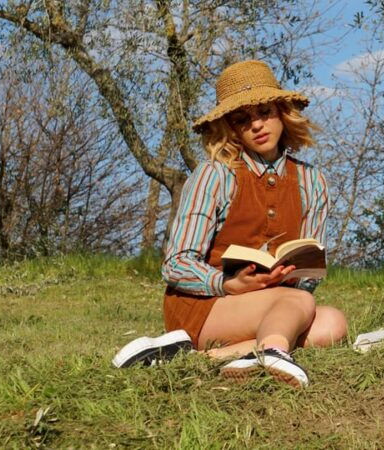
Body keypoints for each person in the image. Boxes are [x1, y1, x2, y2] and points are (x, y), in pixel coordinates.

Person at [147, 60, 345, 387]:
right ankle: (273, 351)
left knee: (332, 323)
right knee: (300, 303)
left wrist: (283, 279)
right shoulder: (214, 175)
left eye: (264, 112)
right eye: (243, 119)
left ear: (282, 112)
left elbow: (309, 271)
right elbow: (176, 264)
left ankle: (203, 359)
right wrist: (228, 284)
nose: (257, 125)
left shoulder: (312, 181)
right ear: (230, 128)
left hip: (276, 301)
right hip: (205, 305)